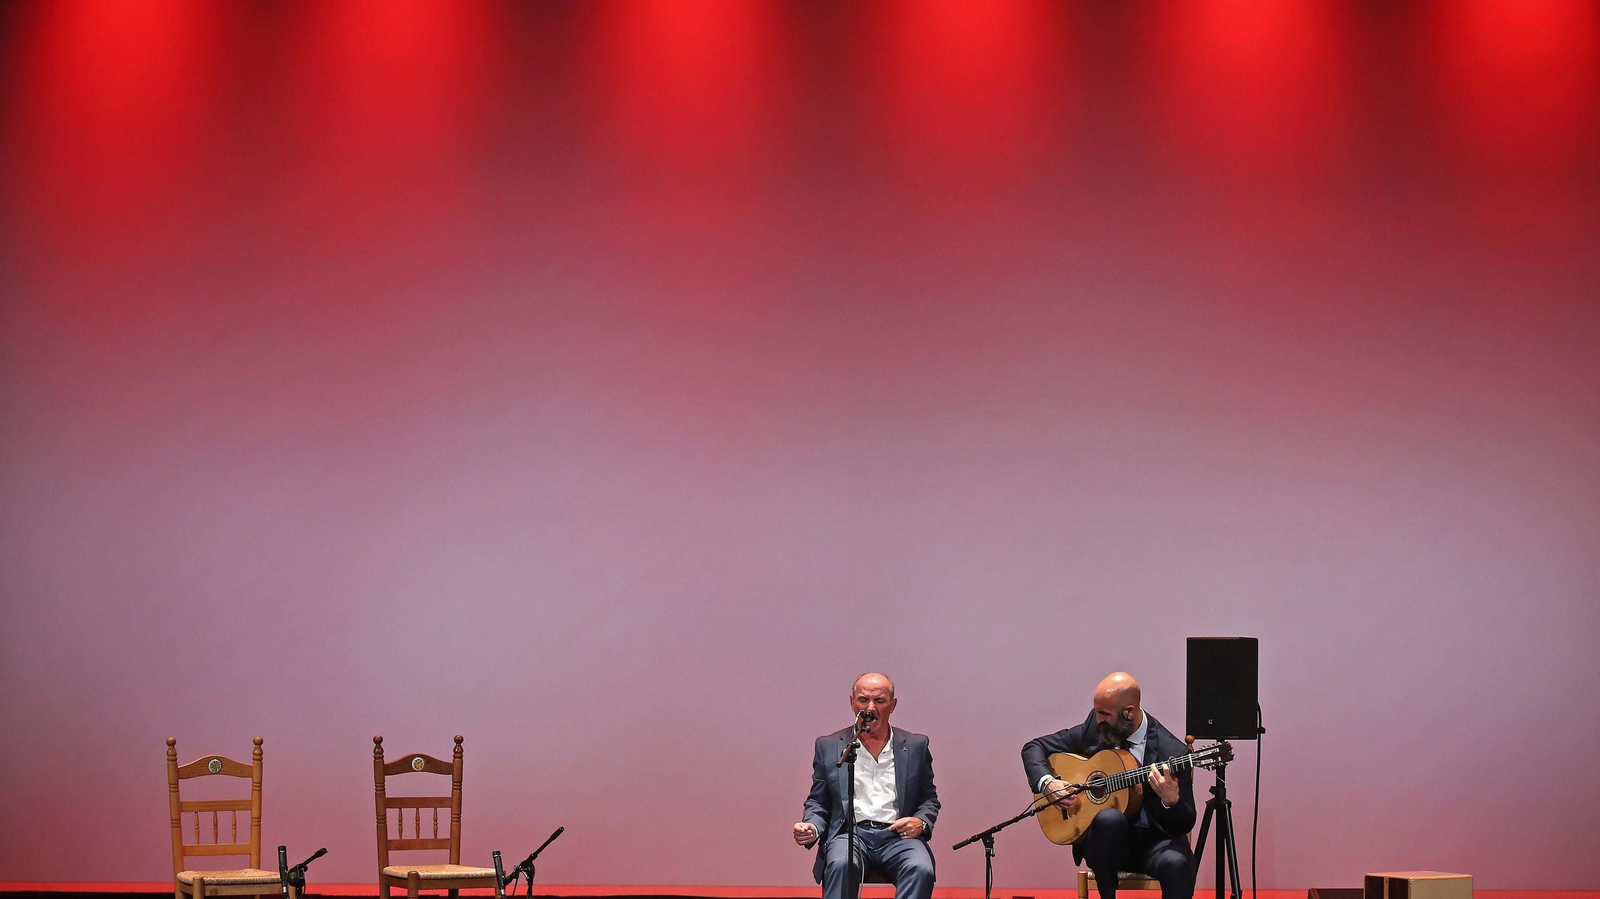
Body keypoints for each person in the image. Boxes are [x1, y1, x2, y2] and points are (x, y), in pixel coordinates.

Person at [1021, 672, 1196, 899]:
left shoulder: (1172, 752)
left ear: (1129, 712)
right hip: (1108, 845)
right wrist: (1048, 783)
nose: (1098, 719)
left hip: (1155, 843)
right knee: (1108, 818)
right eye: (1096, 711)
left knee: (1178, 863)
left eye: (1104, 713)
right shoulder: (1095, 727)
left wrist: (1172, 801)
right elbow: (1034, 747)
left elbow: (1186, 822)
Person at [793, 673, 939, 899]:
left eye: (879, 701)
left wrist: (921, 822)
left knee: (920, 868)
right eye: (863, 700)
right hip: (849, 834)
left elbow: (929, 799)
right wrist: (812, 827)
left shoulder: (916, 745)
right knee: (841, 864)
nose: (870, 708)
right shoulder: (830, 746)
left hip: (897, 836)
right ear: (852, 703)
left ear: (893, 705)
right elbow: (818, 801)